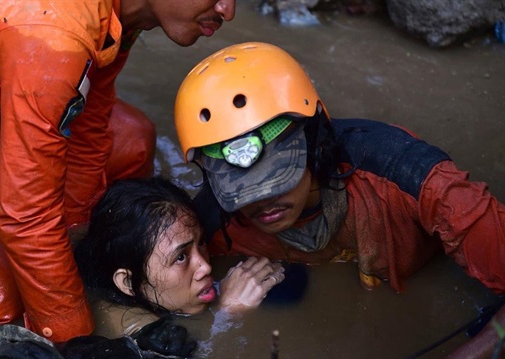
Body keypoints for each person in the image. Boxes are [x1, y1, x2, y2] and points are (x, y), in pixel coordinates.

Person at [0, 0, 236, 343]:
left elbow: (88, 129)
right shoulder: (56, 36)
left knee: (131, 142)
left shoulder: (125, 16)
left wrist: (82, 252)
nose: (228, 9)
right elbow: (27, 220)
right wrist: (76, 342)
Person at [173, 42, 505, 357]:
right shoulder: (211, 223)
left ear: (315, 143)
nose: (263, 203)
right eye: (242, 190)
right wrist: (225, 313)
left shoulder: (413, 180)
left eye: (277, 180)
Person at [74, 176, 285, 331]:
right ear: (128, 282)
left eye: (201, 243)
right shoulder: (134, 327)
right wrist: (226, 315)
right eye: (181, 257)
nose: (206, 267)